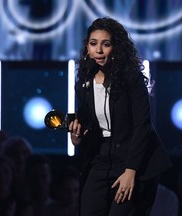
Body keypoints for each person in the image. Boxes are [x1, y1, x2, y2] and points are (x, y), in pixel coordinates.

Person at [68, 17, 172, 216]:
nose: (98, 50)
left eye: (105, 44)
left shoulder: (130, 79)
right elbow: (90, 126)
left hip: (134, 157)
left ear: (116, 48)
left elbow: (143, 126)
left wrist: (131, 170)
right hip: (100, 159)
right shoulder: (84, 83)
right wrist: (77, 138)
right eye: (93, 44)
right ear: (87, 48)